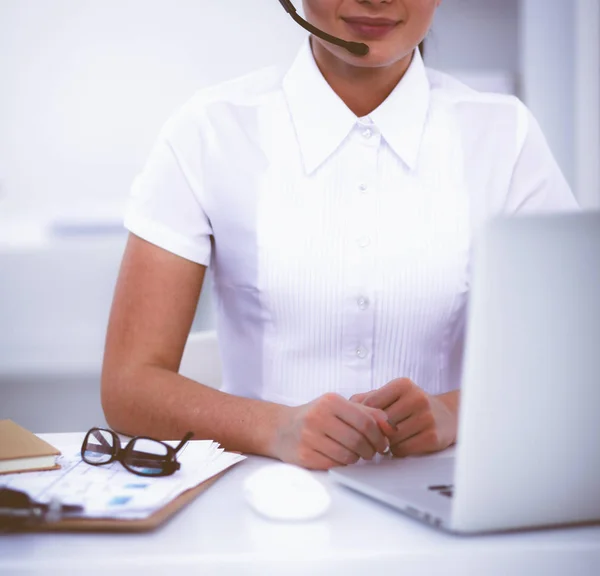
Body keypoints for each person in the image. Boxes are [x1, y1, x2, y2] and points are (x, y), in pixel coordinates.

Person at [101, 0, 578, 470]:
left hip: (450, 501)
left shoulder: (504, 134)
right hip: (258, 506)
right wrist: (274, 426)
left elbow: (573, 364)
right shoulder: (209, 130)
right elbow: (129, 386)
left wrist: (455, 411)